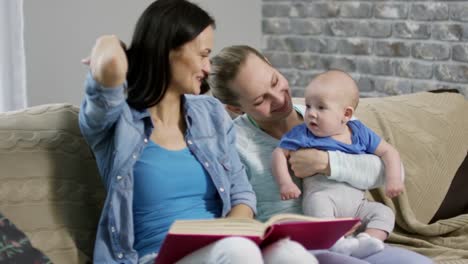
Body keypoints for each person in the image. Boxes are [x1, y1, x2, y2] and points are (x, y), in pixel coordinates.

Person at [79, 1, 319, 263]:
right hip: (152, 256)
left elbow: (242, 195)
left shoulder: (210, 114)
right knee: (238, 252)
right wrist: (114, 44)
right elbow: (110, 62)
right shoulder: (115, 121)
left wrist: (232, 232)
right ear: (168, 50)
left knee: (290, 252)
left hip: (220, 248)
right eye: (203, 54)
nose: (208, 67)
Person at [208, 45, 433, 264]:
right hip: (294, 249)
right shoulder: (234, 144)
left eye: (275, 81)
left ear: (270, 63)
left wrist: (326, 162)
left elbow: (391, 172)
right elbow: (237, 210)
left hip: (356, 239)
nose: (278, 98)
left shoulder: (325, 113)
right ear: (236, 109)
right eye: (260, 100)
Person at [271, 70, 404, 258]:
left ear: (346, 114)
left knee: (384, 212)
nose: (311, 114)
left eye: (321, 108)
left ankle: (368, 240)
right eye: (308, 106)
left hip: (359, 205)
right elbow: (278, 153)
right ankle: (336, 244)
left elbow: (389, 152)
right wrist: (285, 183)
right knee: (317, 204)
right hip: (323, 196)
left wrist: (394, 179)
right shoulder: (304, 134)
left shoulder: (359, 132)